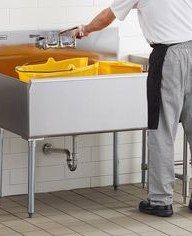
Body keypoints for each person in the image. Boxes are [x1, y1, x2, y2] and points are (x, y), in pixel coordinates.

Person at [75, 0, 192, 217]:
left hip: (169, 57)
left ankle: (160, 201)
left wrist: (85, 29)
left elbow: (107, 16)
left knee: (162, 130)